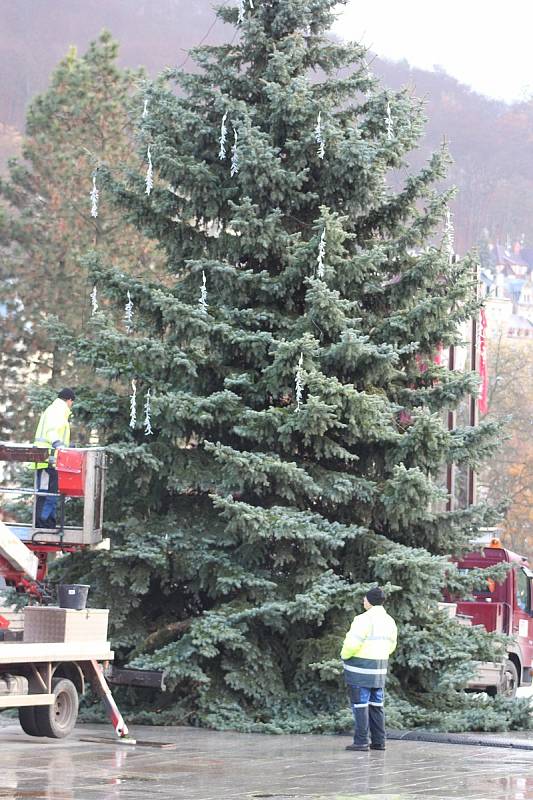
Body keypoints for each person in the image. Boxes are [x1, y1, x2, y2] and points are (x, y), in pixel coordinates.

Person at [341, 586, 397, 752]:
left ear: (370, 601)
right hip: (379, 669)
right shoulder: (389, 621)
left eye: (365, 598)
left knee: (360, 705)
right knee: (376, 705)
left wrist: (344, 655)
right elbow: (392, 645)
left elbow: (352, 644)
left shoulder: (362, 619)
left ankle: (361, 741)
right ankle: (379, 742)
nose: (363, 601)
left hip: (360, 669)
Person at [32, 388, 75, 529]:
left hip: (49, 460)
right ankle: (42, 523)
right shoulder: (58, 410)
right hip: (48, 460)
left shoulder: (54, 409)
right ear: (69, 400)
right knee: (46, 493)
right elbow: (52, 431)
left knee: (50, 493)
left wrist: (67, 446)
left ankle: (48, 523)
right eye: (72, 402)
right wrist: (59, 445)